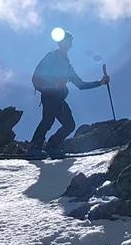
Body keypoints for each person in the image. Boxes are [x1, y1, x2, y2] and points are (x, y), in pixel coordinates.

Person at [28, 29, 108, 159]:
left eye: (69, 41)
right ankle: (34, 148)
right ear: (60, 43)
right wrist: (51, 85)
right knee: (48, 120)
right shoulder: (52, 56)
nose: (67, 44)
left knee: (69, 125)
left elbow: (80, 85)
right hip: (49, 94)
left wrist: (100, 82)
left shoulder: (68, 66)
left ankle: (51, 146)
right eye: (65, 41)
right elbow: (37, 76)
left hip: (59, 98)